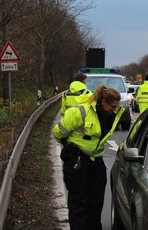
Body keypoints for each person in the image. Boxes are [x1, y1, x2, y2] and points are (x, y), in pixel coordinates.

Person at [53, 84, 125, 230]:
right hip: (77, 161)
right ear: (103, 102)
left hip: (96, 162)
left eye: (116, 106)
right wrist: (69, 146)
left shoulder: (112, 115)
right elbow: (58, 132)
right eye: (112, 106)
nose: (115, 109)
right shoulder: (81, 112)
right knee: (79, 204)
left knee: (95, 204)